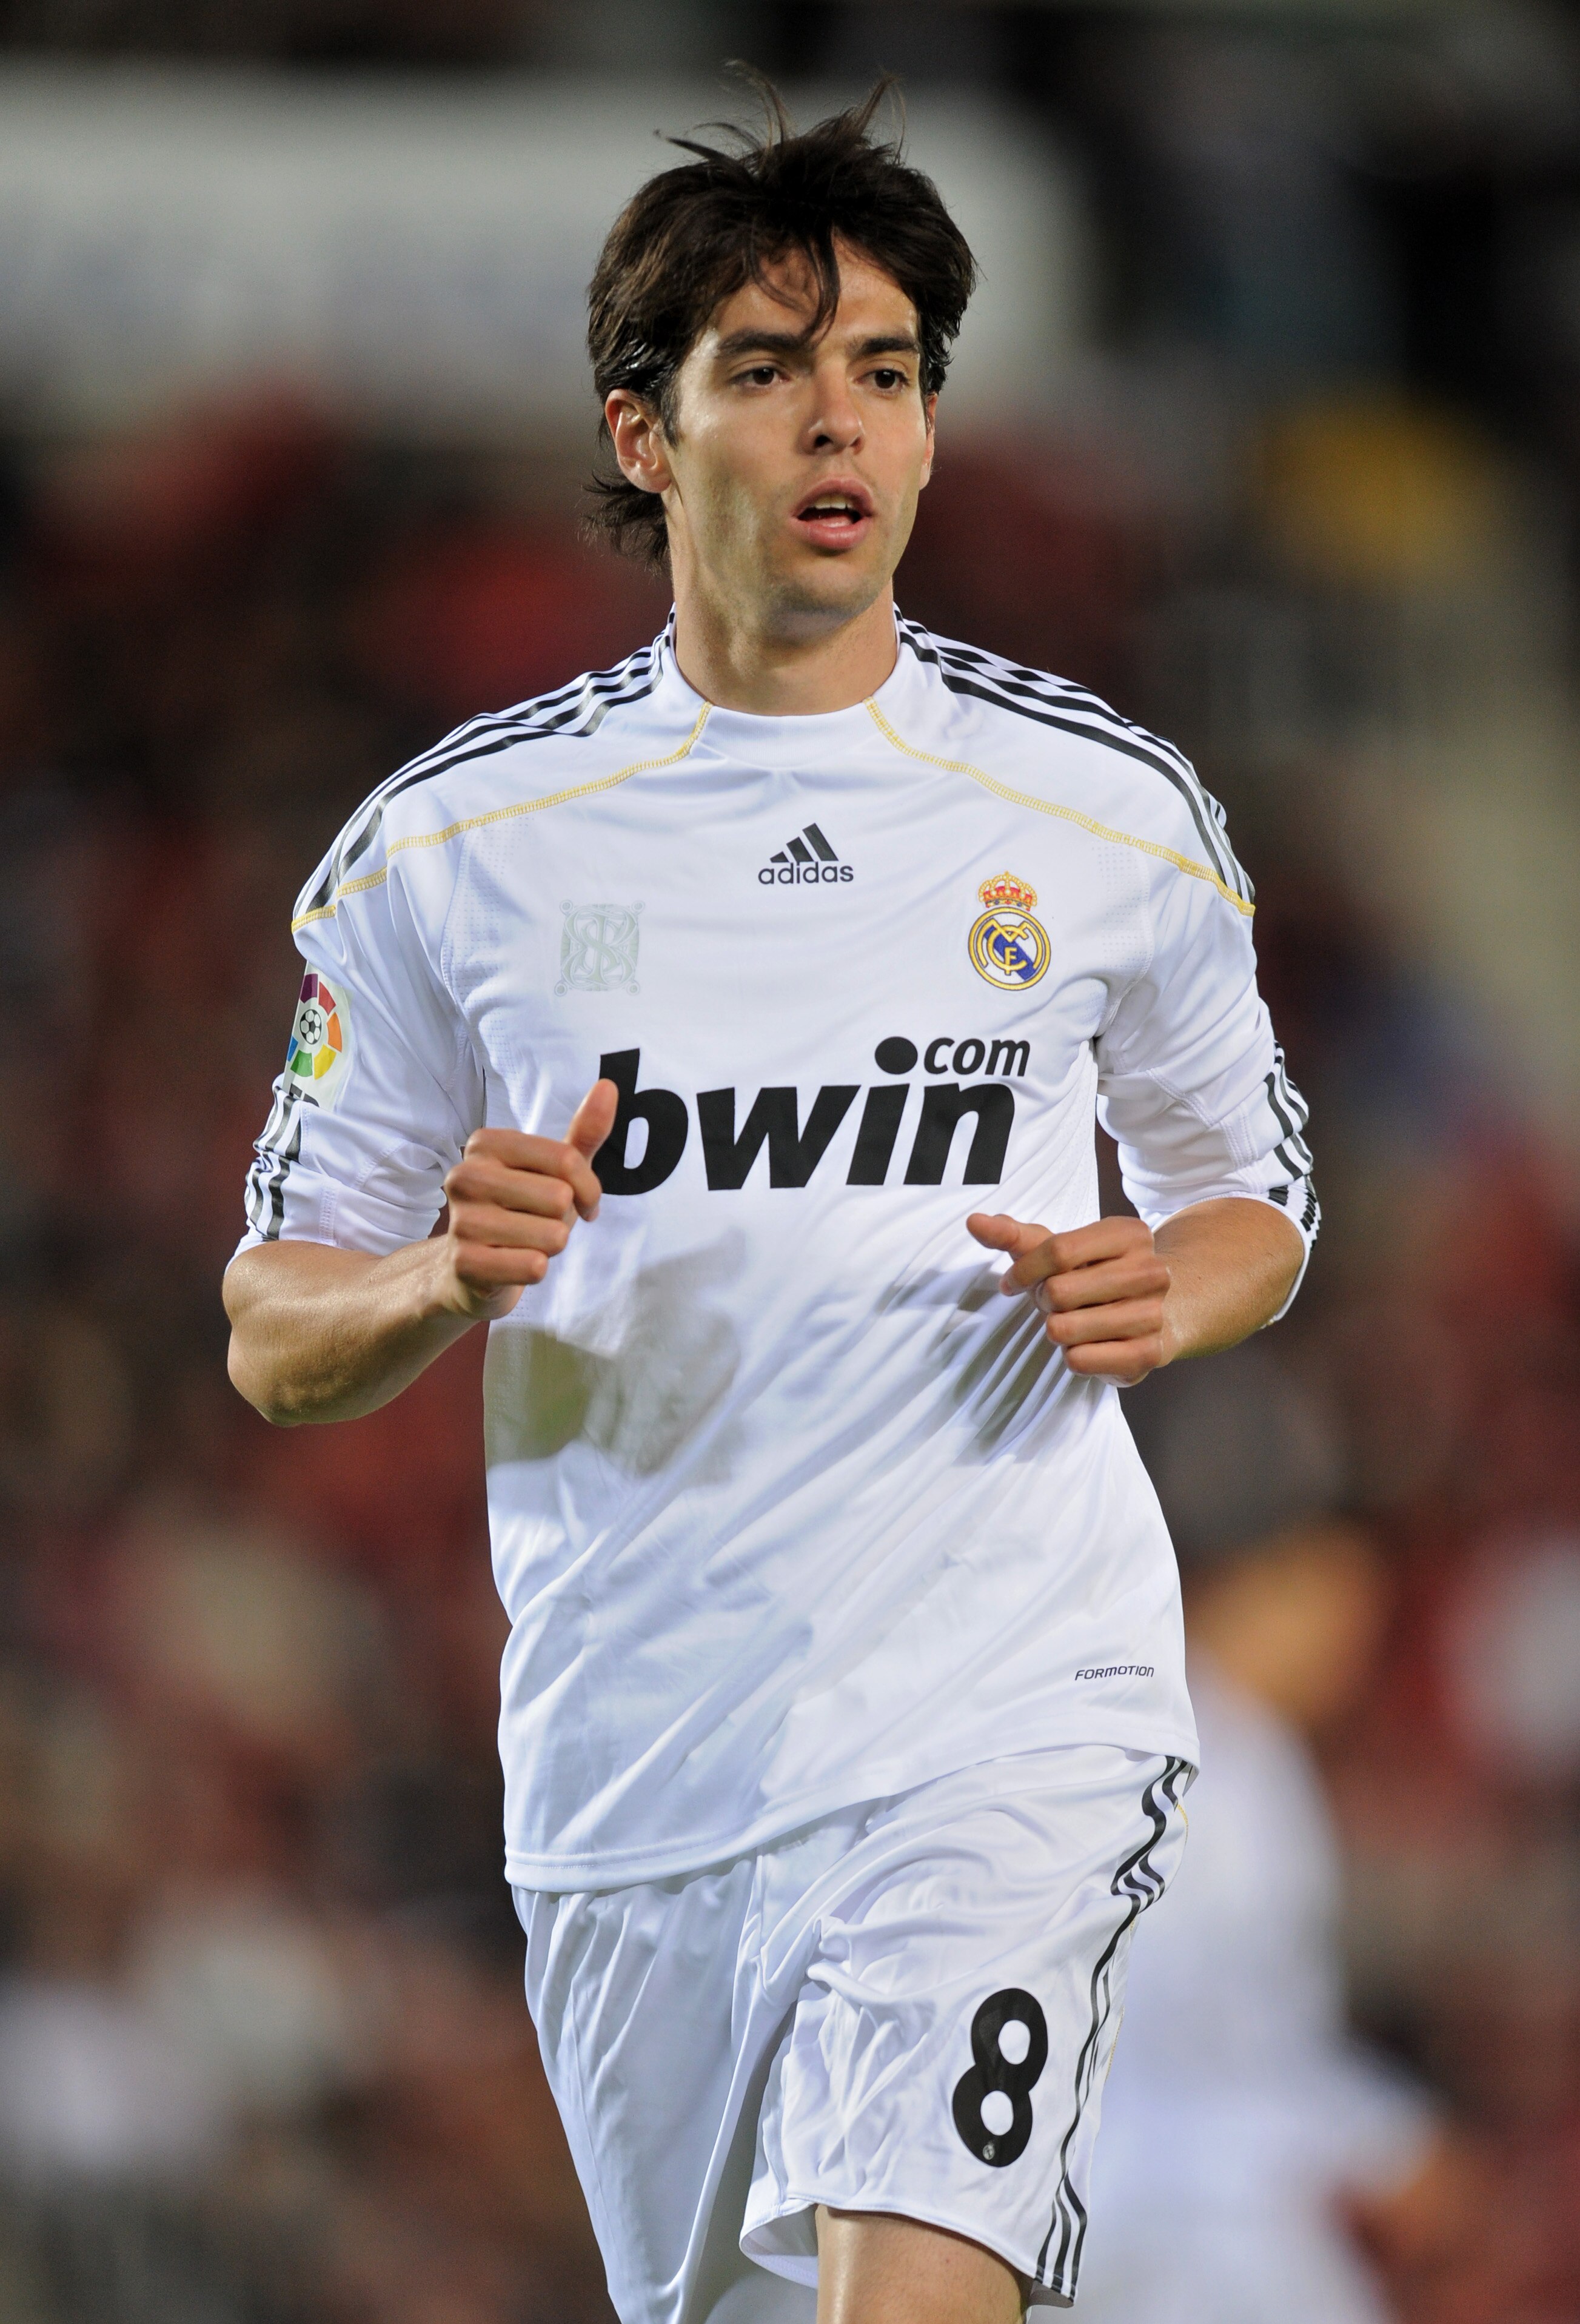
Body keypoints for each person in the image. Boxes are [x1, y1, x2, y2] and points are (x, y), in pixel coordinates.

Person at [224, 85, 1316, 2324]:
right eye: (769, 367)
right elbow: (270, 1324)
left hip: (1003, 1713)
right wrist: (437, 1274)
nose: (843, 422)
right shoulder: (455, 850)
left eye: (889, 374)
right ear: (643, 433)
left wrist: (1158, 1293)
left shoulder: (1098, 810)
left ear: (925, 440)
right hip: (641, 1770)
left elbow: (1250, 1201)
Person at [1077, 1347, 1459, 2324]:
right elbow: (1178, 2084)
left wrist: (1376, 2129)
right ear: (1290, 1572)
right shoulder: (1224, 1767)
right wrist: (1375, 2143)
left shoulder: (1164, 1734)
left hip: (1105, 2232)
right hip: (1154, 2242)